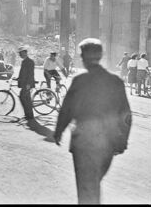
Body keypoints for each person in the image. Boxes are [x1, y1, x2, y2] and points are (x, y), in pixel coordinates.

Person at [54, 38, 132, 205]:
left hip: (83, 143)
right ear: (101, 55)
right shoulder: (115, 82)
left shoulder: (80, 81)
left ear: (82, 57)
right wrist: (122, 141)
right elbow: (126, 115)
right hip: (107, 144)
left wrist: (58, 131)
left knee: (86, 188)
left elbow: (67, 109)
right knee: (93, 184)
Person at [16, 45, 35, 120]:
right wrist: (18, 78)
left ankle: (29, 115)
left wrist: (28, 84)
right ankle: (28, 115)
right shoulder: (24, 61)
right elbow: (23, 73)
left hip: (27, 84)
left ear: (25, 53)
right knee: (26, 98)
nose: (19, 55)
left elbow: (30, 74)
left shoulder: (30, 62)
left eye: (20, 53)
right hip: (24, 83)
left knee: (23, 97)